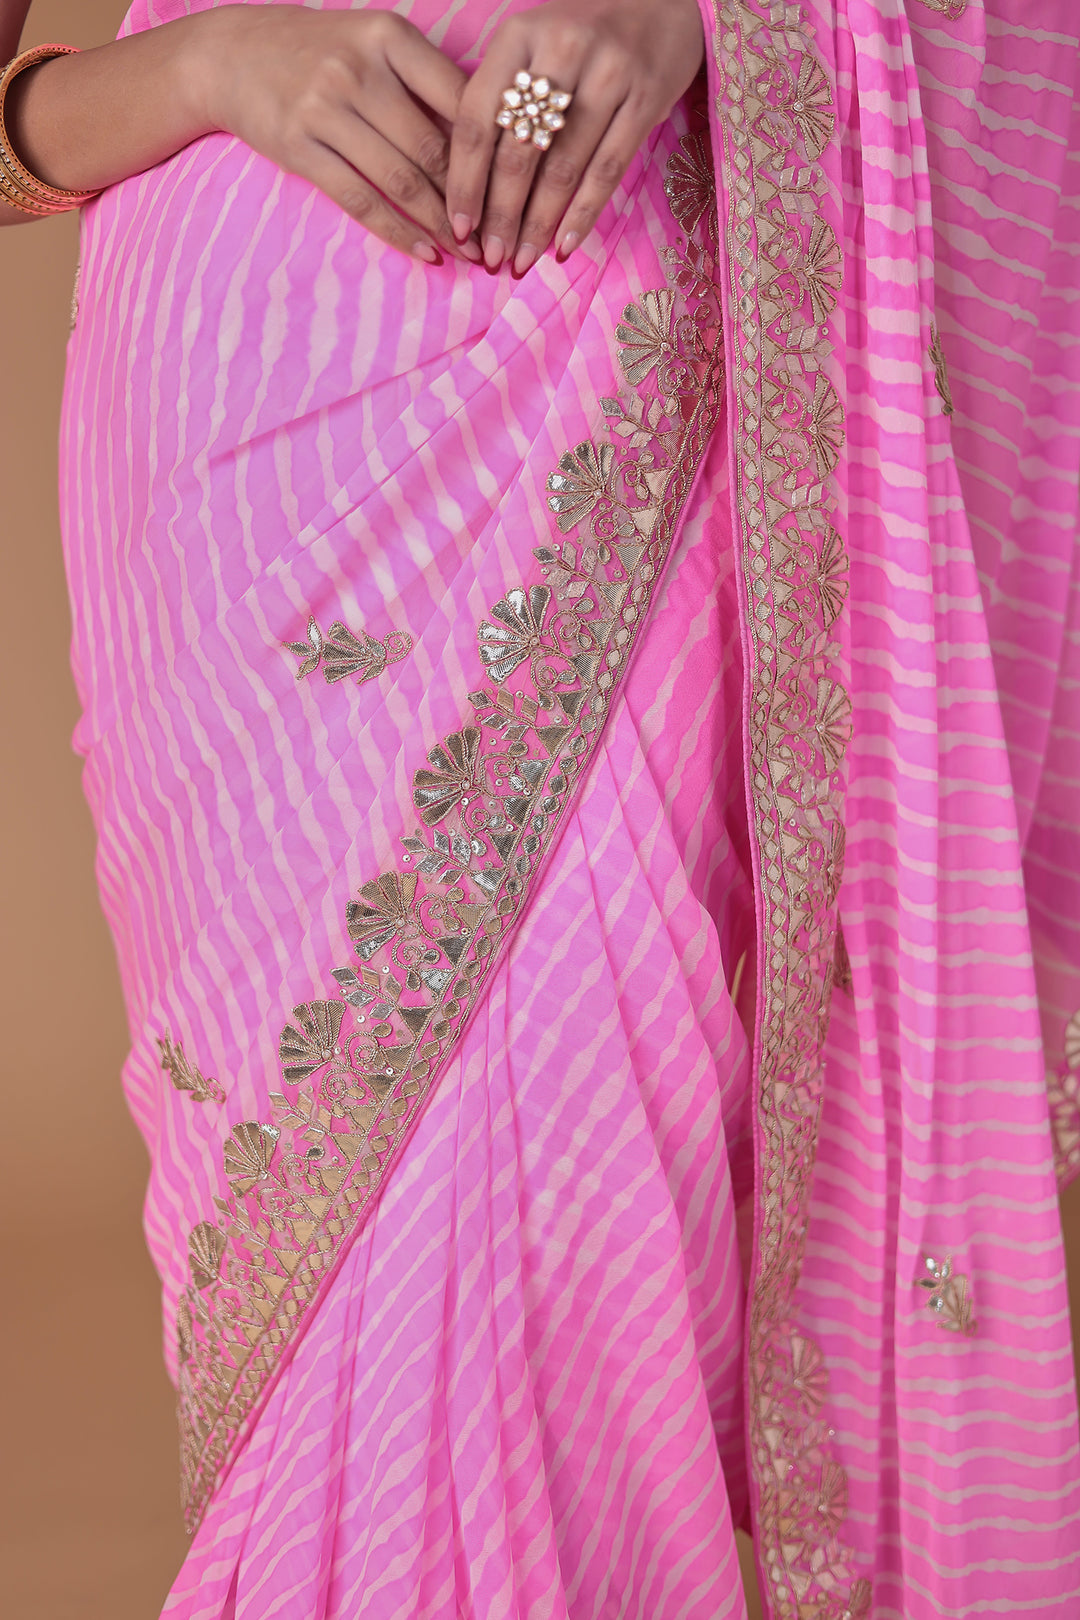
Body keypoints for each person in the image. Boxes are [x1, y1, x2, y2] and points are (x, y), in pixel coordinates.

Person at [3, 0, 1079, 1615]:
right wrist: (209, 65)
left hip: (623, 388)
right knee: (341, 1306)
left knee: (560, 1235)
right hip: (238, 423)